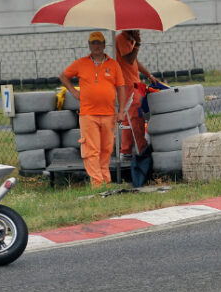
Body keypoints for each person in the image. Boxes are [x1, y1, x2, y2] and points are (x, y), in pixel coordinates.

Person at [59, 31, 128, 188]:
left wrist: (122, 111)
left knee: (106, 149)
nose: (96, 46)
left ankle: (106, 181)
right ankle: (97, 183)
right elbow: (63, 76)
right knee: (92, 150)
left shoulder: (113, 64)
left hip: (109, 114)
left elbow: (121, 87)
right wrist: (74, 91)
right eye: (93, 43)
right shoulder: (81, 63)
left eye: (99, 43)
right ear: (89, 46)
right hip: (88, 114)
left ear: (104, 45)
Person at [114, 29, 159, 156]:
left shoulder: (129, 39)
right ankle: (142, 147)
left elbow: (134, 62)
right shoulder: (121, 39)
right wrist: (138, 44)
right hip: (127, 84)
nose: (139, 31)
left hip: (133, 82)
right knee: (136, 116)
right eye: (137, 28)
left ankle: (126, 150)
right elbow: (129, 59)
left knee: (129, 119)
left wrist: (149, 75)